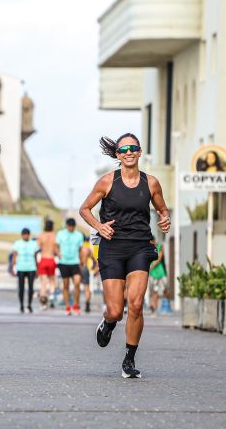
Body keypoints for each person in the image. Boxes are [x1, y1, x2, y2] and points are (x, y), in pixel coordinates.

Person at [80, 133, 170, 379]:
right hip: (112, 248)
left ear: (140, 152)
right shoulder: (107, 182)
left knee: (137, 304)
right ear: (118, 156)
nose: (129, 152)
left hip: (140, 247)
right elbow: (85, 209)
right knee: (116, 310)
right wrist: (99, 227)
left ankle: (129, 358)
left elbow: (162, 209)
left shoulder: (151, 183)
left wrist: (165, 219)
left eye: (133, 148)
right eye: (124, 149)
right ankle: (108, 323)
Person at [56, 218, 84, 316]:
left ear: (74, 226)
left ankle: (76, 305)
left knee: (77, 283)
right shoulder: (60, 234)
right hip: (63, 262)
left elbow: (81, 249)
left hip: (75, 262)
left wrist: (81, 261)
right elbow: (56, 246)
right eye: (69, 226)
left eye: (72, 226)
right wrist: (58, 253)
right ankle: (68, 306)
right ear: (66, 226)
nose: (70, 228)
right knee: (66, 285)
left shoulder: (79, 235)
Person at [11, 228, 39, 313]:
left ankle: (29, 305)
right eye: (24, 234)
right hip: (21, 268)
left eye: (27, 234)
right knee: (21, 288)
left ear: (29, 235)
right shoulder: (17, 243)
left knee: (31, 288)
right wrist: (12, 267)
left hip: (31, 267)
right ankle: (21, 305)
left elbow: (35, 256)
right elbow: (14, 256)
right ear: (22, 235)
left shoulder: (33, 243)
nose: (25, 236)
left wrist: (37, 268)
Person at [37, 220, 57, 310]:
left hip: (43, 259)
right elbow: (57, 248)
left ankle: (43, 302)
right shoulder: (54, 235)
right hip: (51, 259)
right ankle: (52, 296)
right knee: (52, 280)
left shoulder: (41, 235)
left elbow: (38, 246)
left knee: (43, 283)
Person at [80, 237, 98, 313]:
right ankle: (87, 303)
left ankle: (75, 305)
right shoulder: (87, 249)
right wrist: (93, 267)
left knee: (76, 287)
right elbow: (94, 261)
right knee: (87, 288)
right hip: (84, 268)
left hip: (75, 267)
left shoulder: (77, 248)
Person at [148, 241, 167, 315]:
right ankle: (154, 309)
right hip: (153, 274)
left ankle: (162, 307)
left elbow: (159, 258)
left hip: (161, 273)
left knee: (165, 290)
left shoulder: (160, 246)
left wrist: (151, 266)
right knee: (154, 292)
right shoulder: (147, 247)